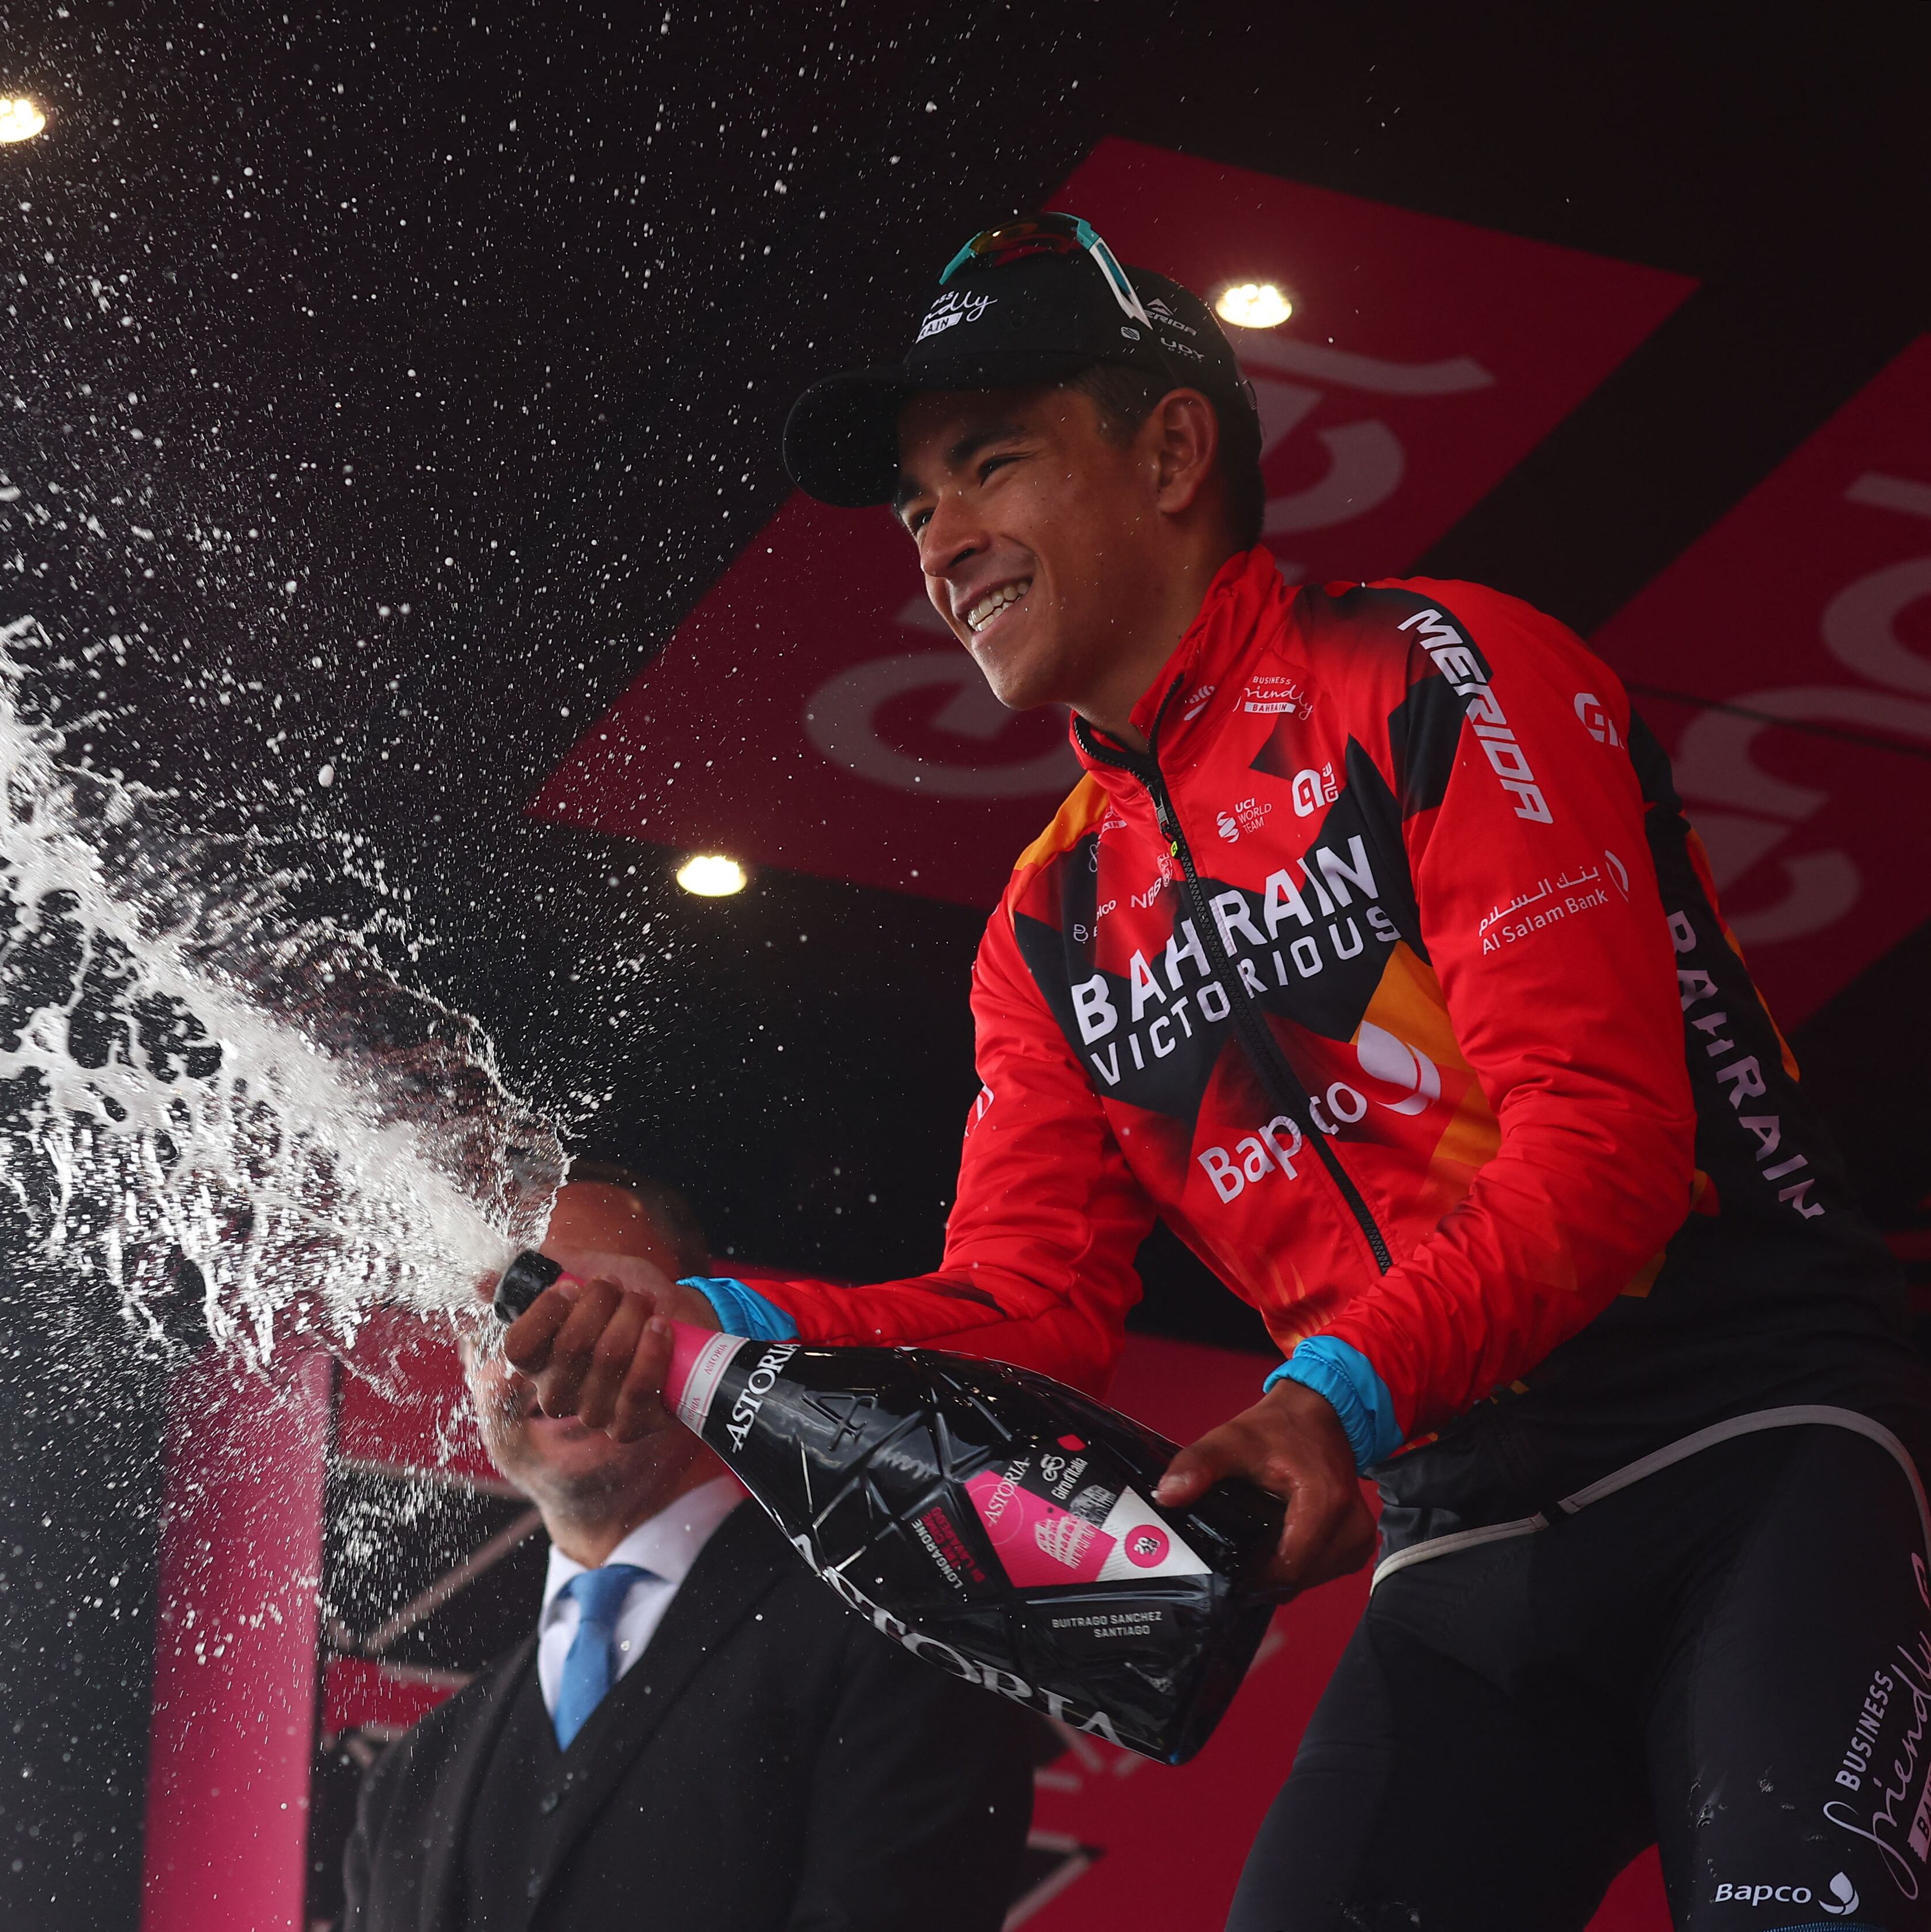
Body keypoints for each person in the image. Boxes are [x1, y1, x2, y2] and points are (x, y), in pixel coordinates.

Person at [504, 214, 1931, 1931]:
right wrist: (699, 1320)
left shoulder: (1437, 671)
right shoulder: (1047, 914)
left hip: (1754, 1428)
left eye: (989, 466)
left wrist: (1329, 1393)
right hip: (1466, 1515)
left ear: (1174, 448)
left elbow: (1610, 1148)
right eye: (916, 507)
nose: (941, 542)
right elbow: (1030, 1305)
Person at [341, 1162, 1034, 1932]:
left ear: (705, 1325)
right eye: (495, 1318)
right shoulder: (407, 1783)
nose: (543, 1346)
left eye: (597, 1298)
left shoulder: (897, 1631)